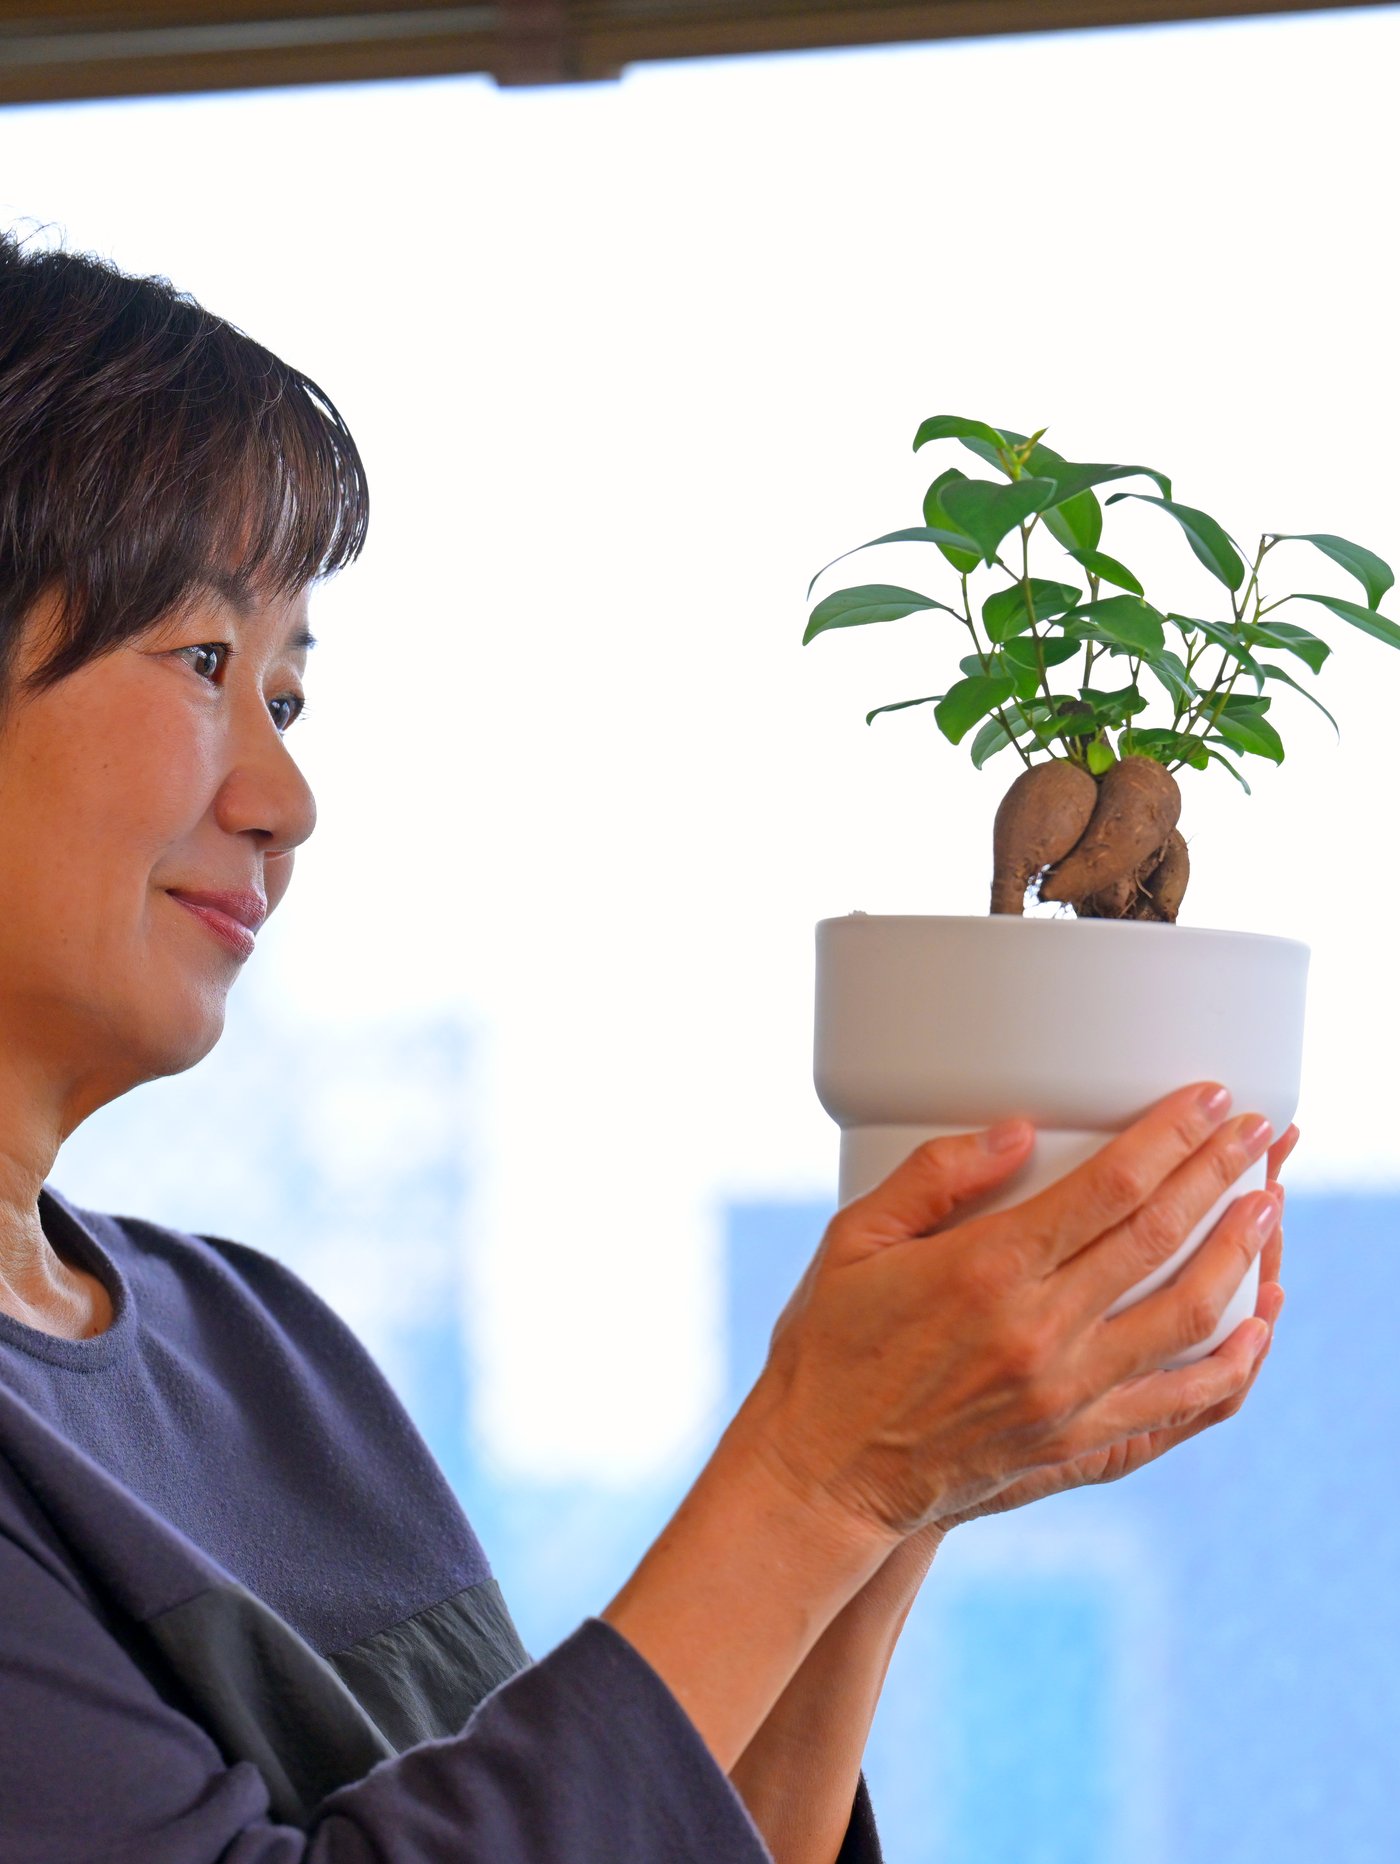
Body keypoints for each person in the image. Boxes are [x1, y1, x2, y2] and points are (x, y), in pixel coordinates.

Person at [0, 227, 1294, 1864]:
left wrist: (898, 1493)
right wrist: (820, 1471)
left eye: (291, 697)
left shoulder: (264, 1350)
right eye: (203, 662)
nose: (287, 800)